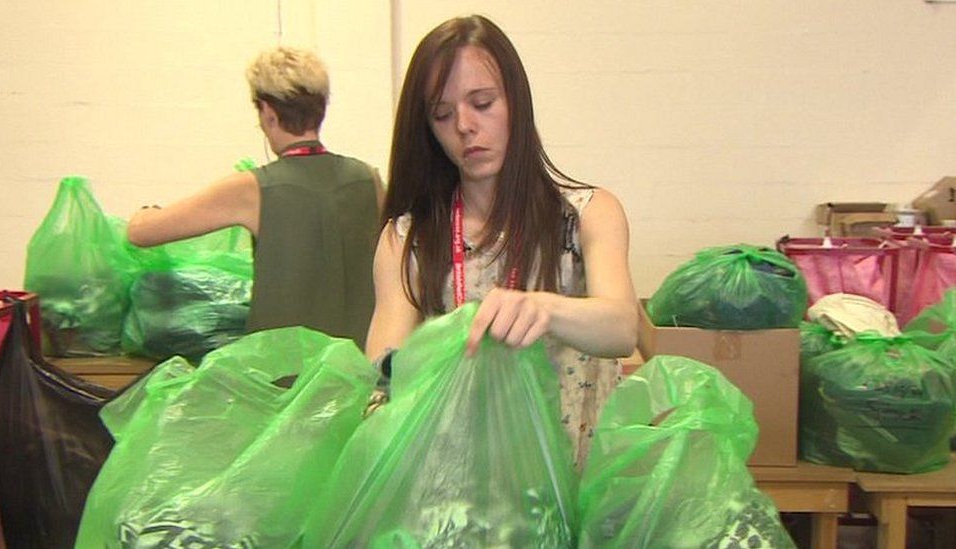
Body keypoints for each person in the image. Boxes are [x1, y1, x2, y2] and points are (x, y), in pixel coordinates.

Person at [365, 15, 639, 468]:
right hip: (459, 493)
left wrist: (542, 308)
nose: (465, 126)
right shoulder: (408, 241)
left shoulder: (586, 215)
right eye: (442, 114)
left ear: (517, 102)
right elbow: (385, 368)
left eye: (483, 103)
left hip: (571, 484)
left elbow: (621, 326)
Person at [128, 46, 382, 347]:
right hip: (358, 376)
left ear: (268, 113)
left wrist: (145, 212)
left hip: (282, 382)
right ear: (321, 109)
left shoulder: (253, 189)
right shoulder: (369, 180)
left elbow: (141, 232)